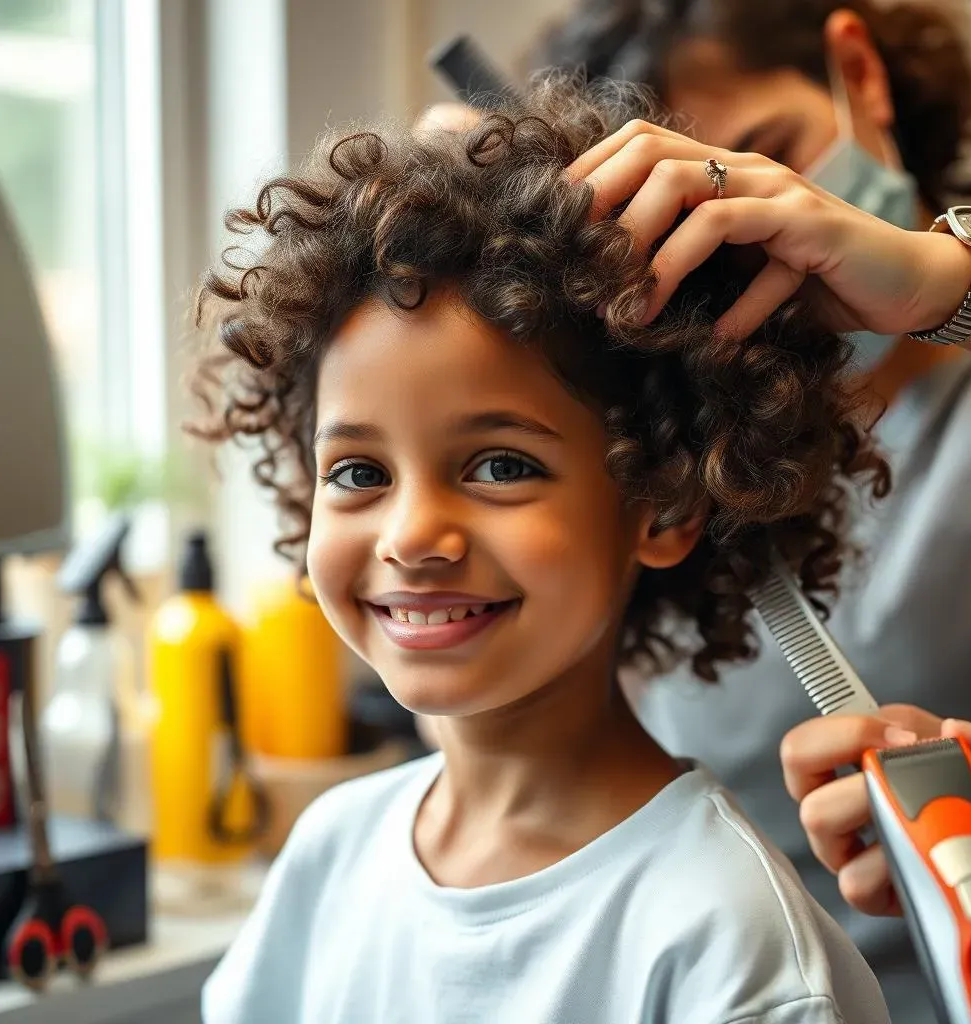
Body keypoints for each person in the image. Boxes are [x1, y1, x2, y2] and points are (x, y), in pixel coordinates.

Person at [192, 76, 893, 1023]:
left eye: (498, 465)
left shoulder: (727, 945)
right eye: (358, 473)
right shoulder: (331, 852)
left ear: (661, 505)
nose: (411, 538)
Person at [538, 2, 971, 1019]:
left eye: (762, 159)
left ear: (859, 71)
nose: (747, 242)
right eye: (685, 230)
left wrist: (941, 281)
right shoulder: (657, 474)